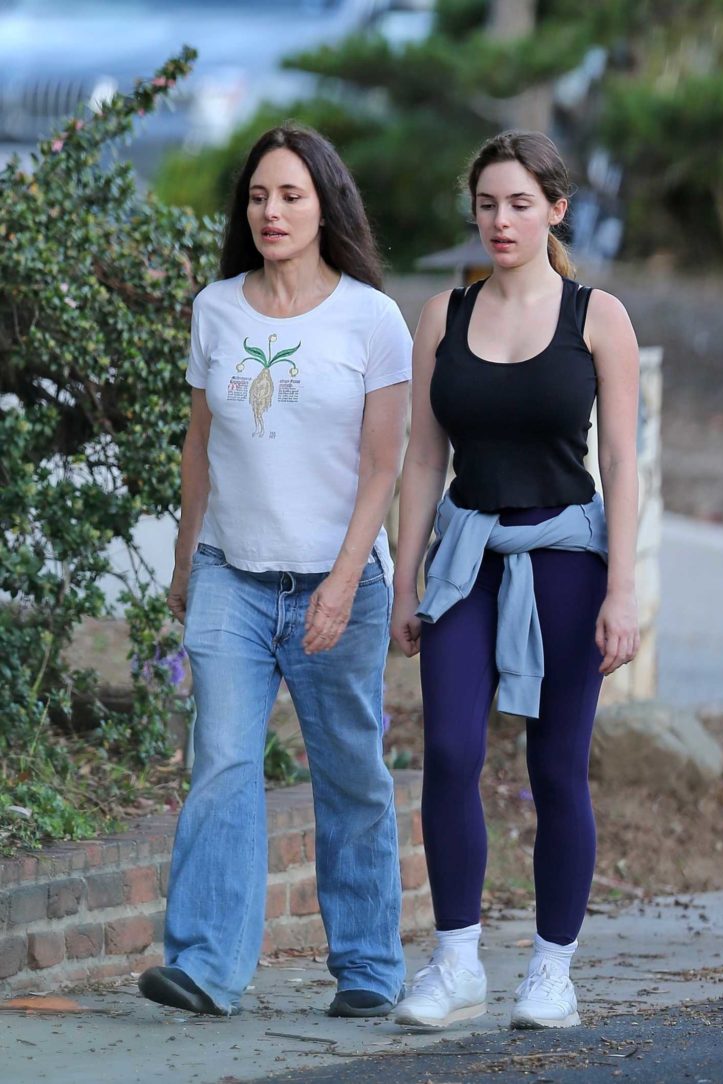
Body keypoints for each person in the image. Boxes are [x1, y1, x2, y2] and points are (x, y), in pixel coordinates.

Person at [138, 124, 411, 1018]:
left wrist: (341, 581)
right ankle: (208, 966)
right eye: (259, 195)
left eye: (290, 194)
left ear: (325, 203)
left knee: (350, 773)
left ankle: (369, 967)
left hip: (340, 583)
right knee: (219, 761)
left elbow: (384, 466)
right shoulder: (216, 309)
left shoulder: (371, 318)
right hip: (232, 573)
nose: (271, 211)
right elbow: (198, 447)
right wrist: (185, 560)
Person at [390, 130, 639, 1030]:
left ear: (556, 210)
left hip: (568, 559)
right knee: (451, 751)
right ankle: (457, 961)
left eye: (520, 204)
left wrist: (622, 588)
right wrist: (406, 572)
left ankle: (551, 971)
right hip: (466, 560)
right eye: (488, 204)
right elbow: (423, 459)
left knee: (556, 767)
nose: (501, 220)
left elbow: (620, 461)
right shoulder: (442, 317)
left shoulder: (597, 317)